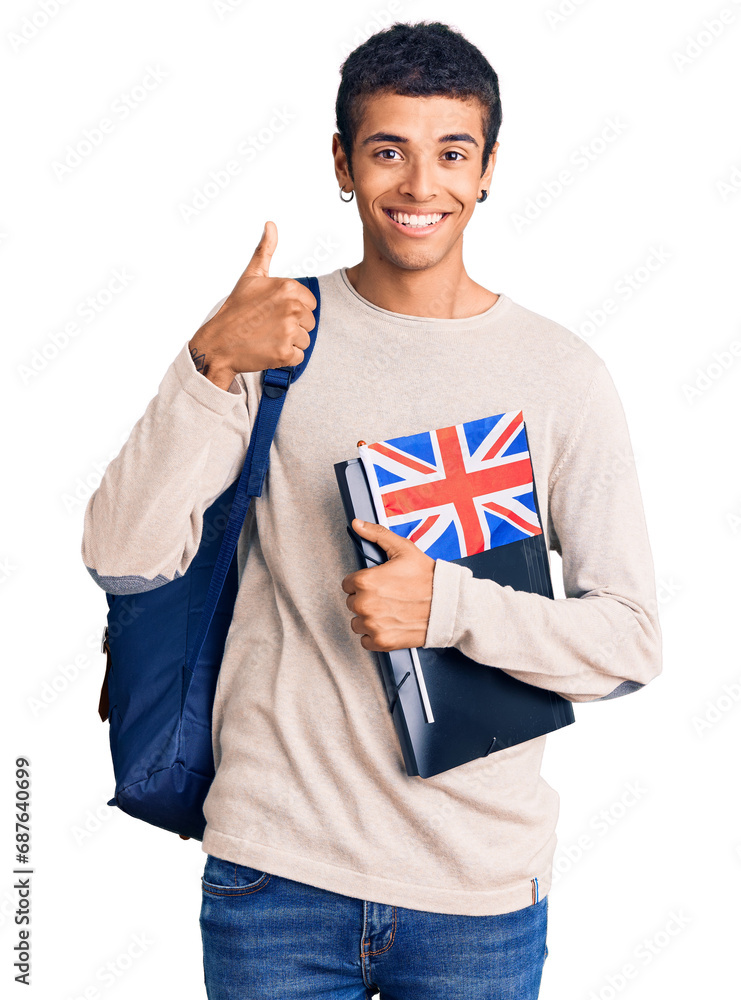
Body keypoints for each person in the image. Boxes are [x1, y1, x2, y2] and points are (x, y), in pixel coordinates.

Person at [81, 20, 662, 1000]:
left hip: (479, 889)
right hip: (278, 872)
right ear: (343, 164)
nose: (420, 185)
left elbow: (630, 641)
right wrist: (208, 361)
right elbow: (122, 554)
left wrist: (449, 606)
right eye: (388, 150)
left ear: (488, 171)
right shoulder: (276, 334)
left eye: (452, 153)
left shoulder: (563, 376)